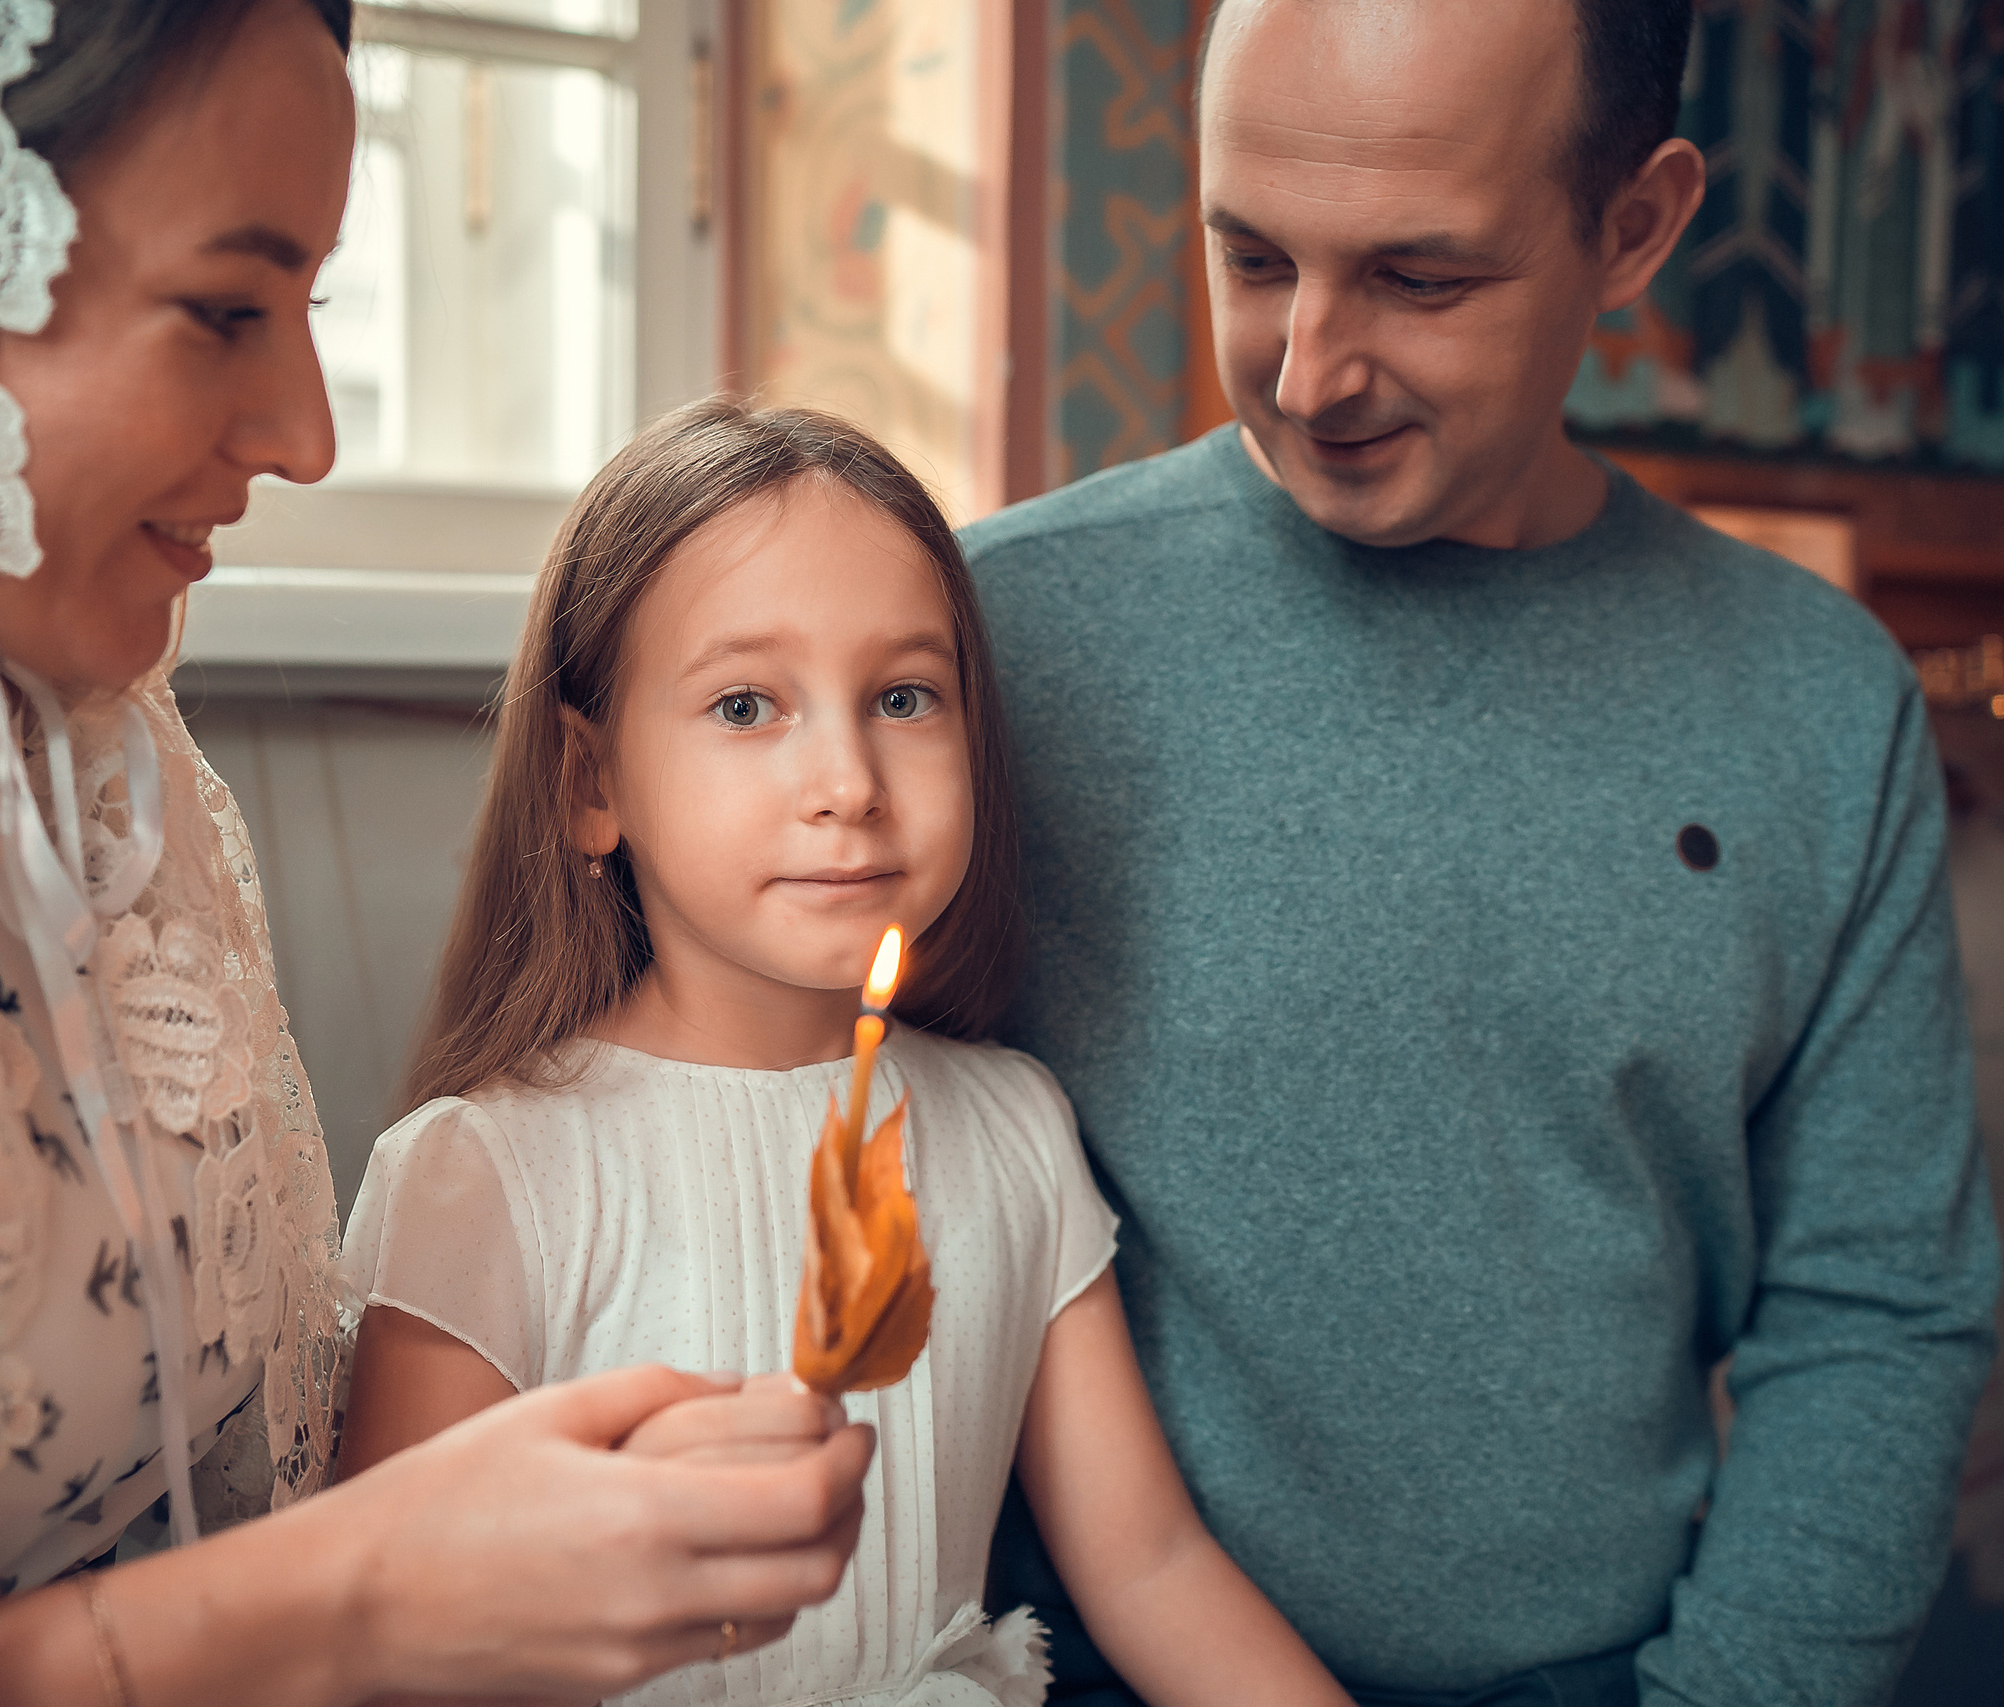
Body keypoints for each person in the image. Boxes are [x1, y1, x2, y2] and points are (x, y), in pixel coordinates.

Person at [0, 3, 875, 1704]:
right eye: (225, 310)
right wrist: (366, 1593)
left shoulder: (108, 764)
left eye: (313, 309)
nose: (308, 434)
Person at [966, 1, 2001, 1704]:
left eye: (1419, 279)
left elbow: (1877, 1317)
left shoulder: (1820, 705)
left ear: (1637, 226)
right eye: (1249, 258)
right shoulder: (997, 636)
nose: (1308, 371)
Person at [335, 399, 1353, 1707]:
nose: (850, 781)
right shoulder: (484, 1174)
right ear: (592, 784)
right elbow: (398, 1639)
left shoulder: (1012, 1129)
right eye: (748, 704)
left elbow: (1148, 1564)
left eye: (904, 697)